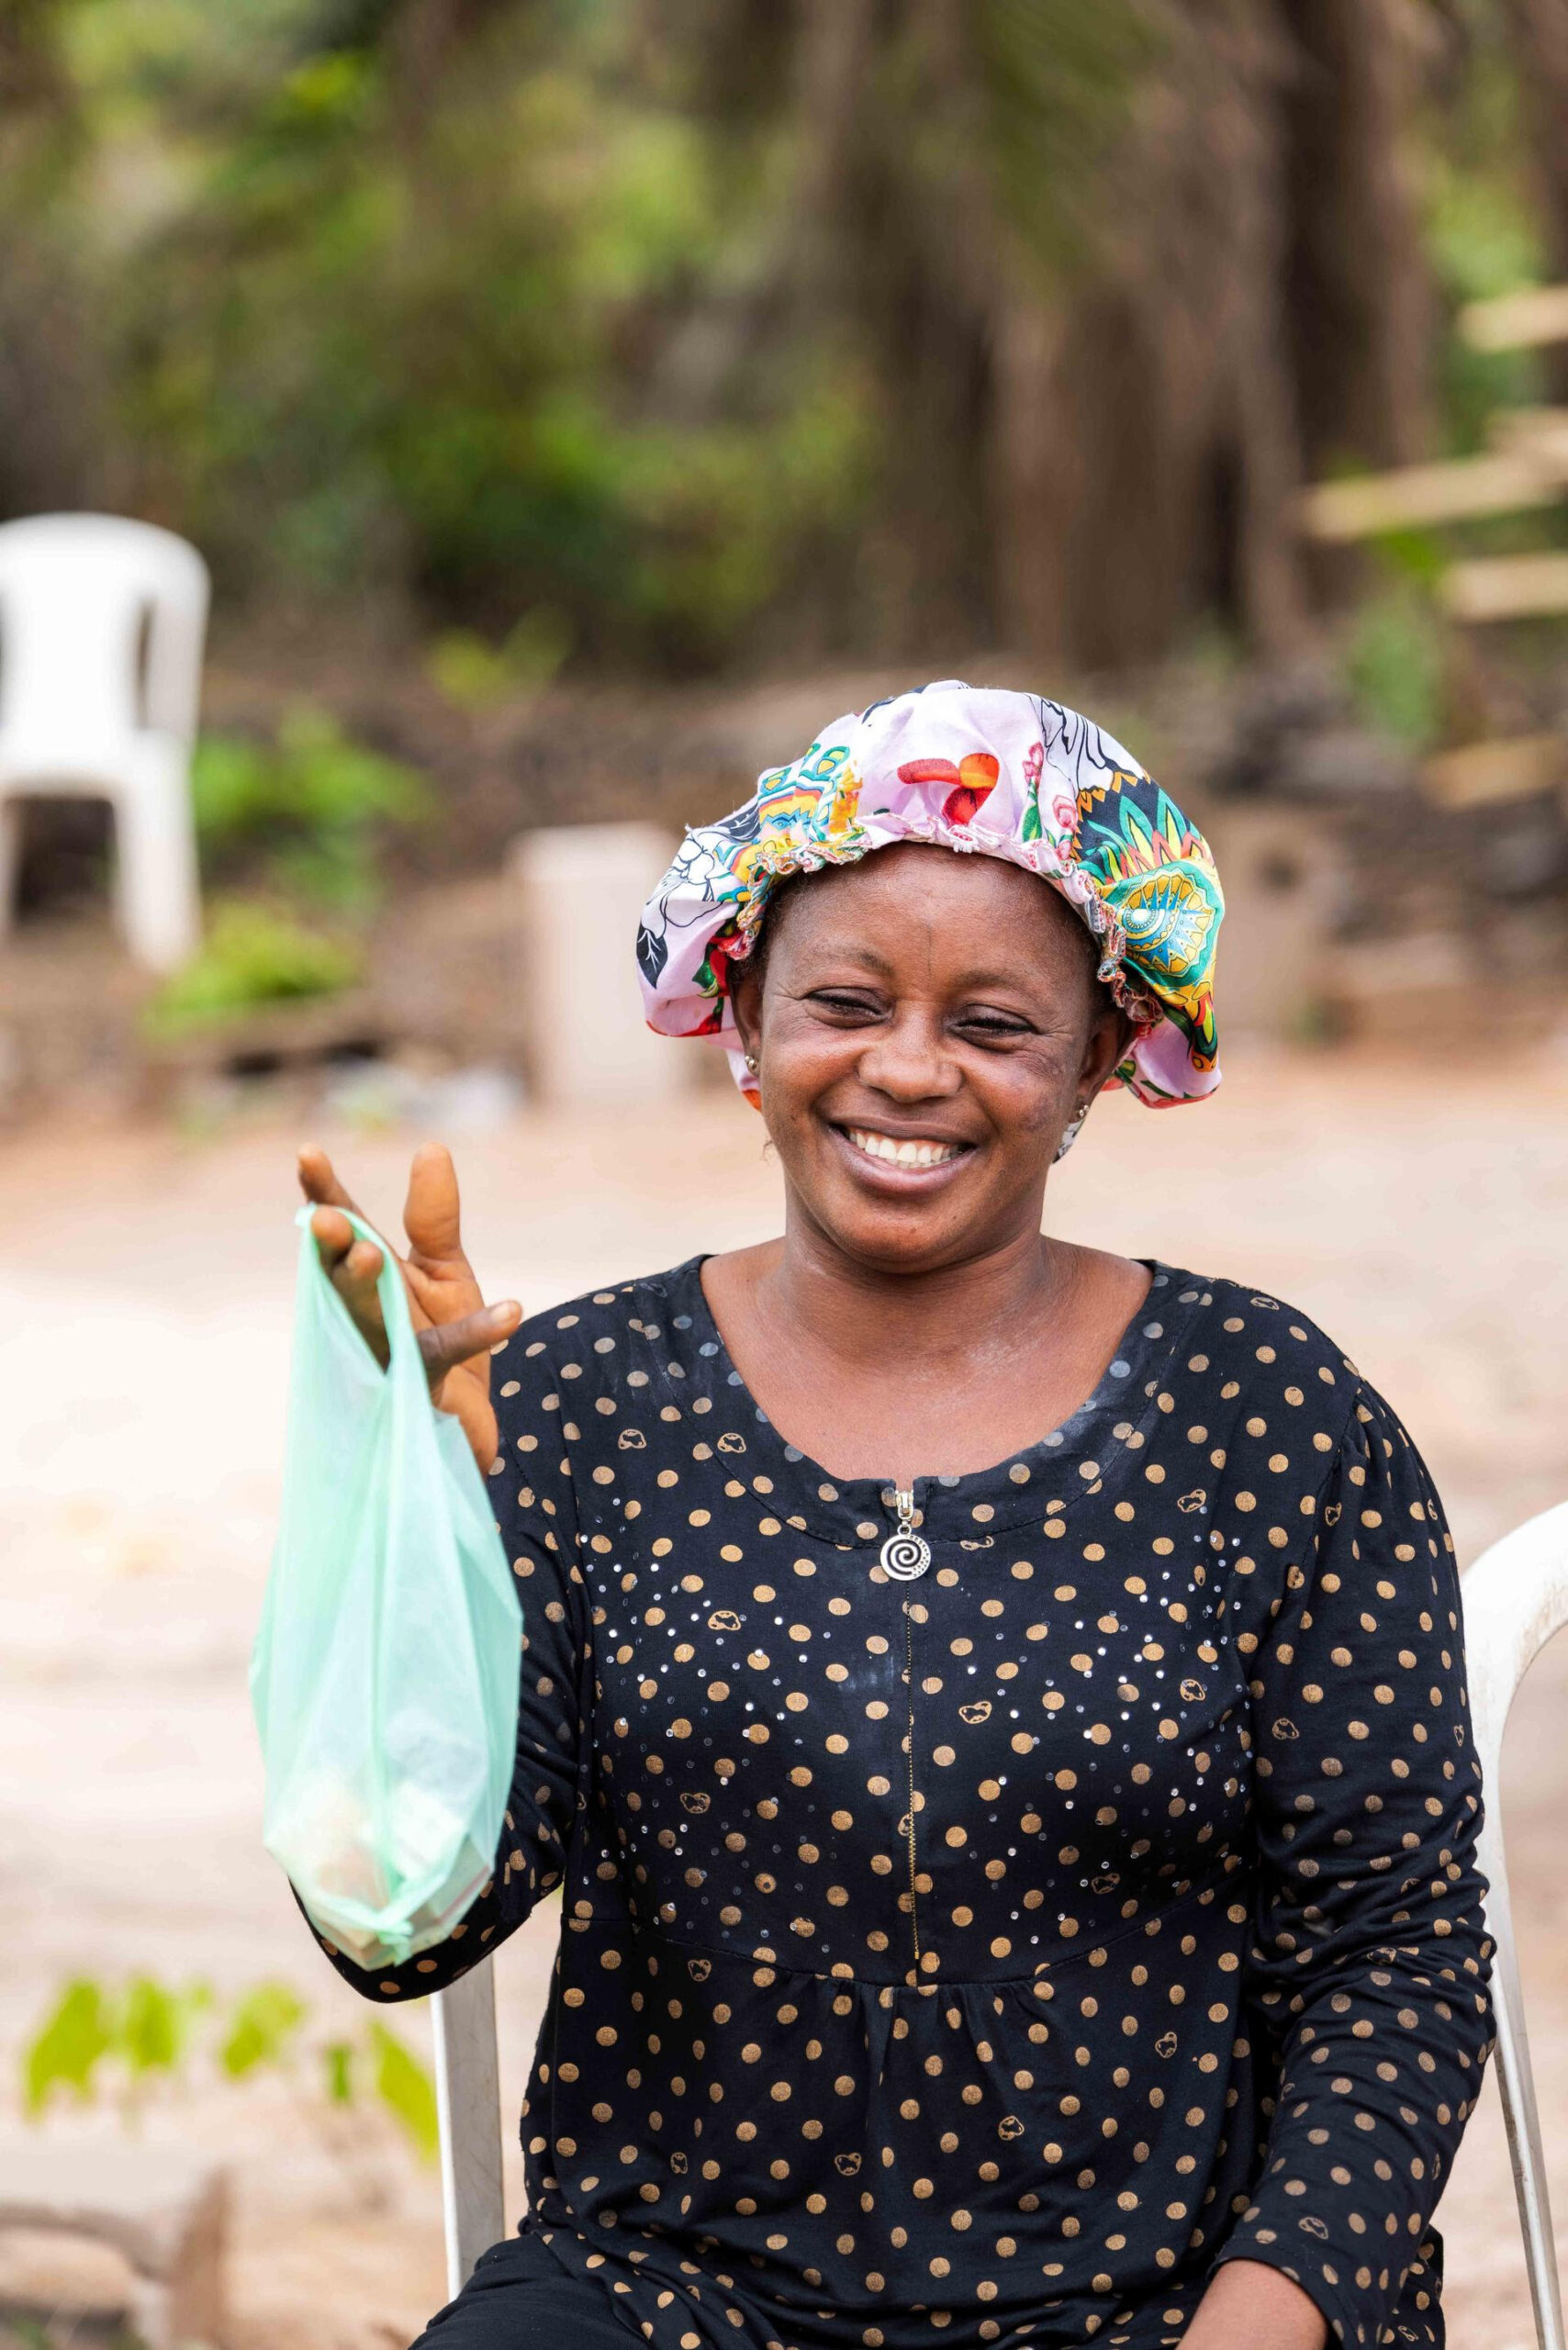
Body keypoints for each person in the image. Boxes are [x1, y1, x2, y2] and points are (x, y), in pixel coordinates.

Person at [294, 683, 1492, 2350]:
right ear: (744, 1019)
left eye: (994, 1024)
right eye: (844, 1001)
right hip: (679, 2298)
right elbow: (403, 1941)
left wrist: (1267, 2314)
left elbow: (1399, 1949)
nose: (906, 1070)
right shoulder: (570, 1405)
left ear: (1093, 1057)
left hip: (1161, 2306)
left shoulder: (1268, 1416)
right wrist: (404, 1537)